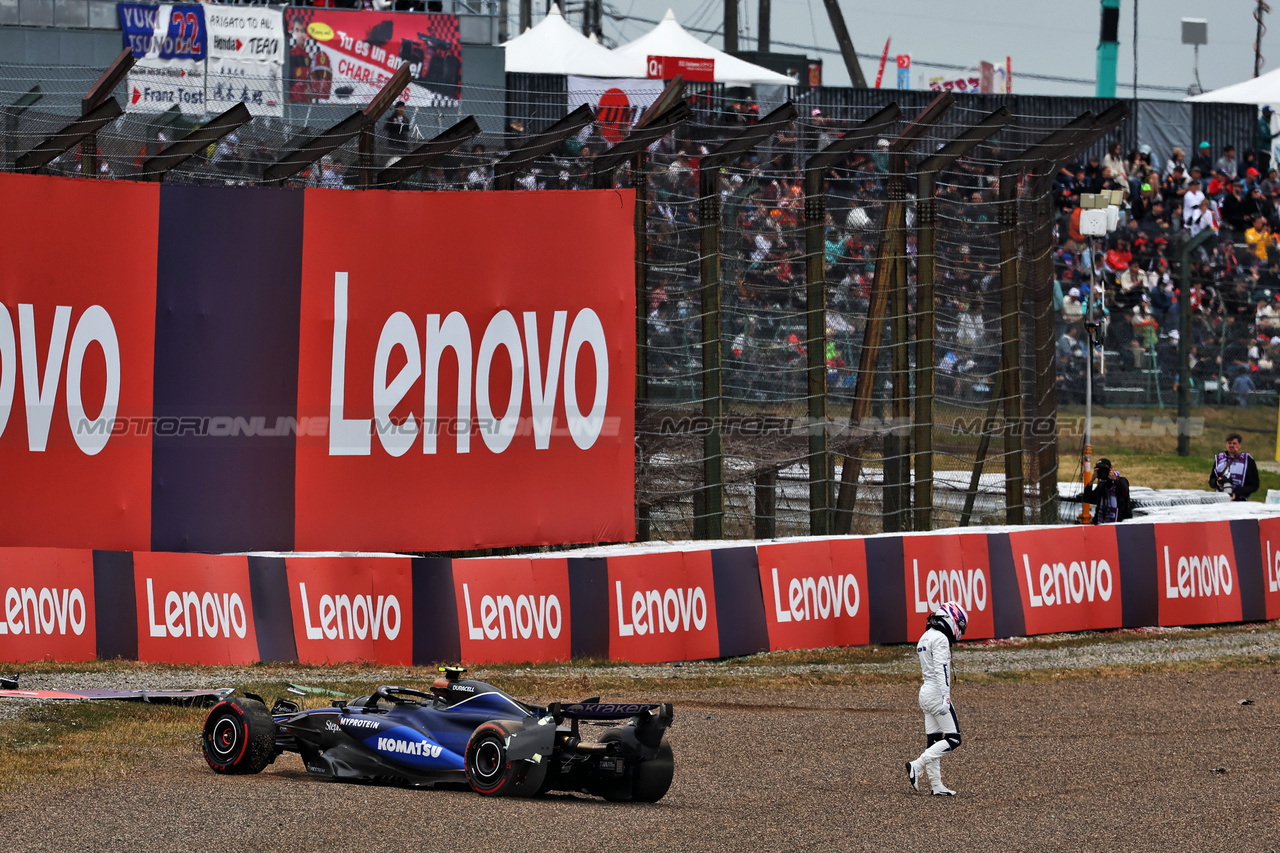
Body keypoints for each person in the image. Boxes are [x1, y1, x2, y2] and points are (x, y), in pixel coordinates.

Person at [905, 602, 968, 797]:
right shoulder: (940, 638)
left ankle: (936, 784)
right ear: (951, 618)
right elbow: (942, 670)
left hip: (925, 692)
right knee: (954, 738)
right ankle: (917, 764)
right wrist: (946, 697)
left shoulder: (925, 636)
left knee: (933, 740)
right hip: (936, 693)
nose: (960, 631)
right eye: (960, 625)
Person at [1210, 432, 1260, 500]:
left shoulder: (1247, 460)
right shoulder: (1219, 459)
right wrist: (1217, 482)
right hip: (1220, 498)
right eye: (1229, 443)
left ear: (1239, 445)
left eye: (1234, 443)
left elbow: (1254, 485)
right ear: (1226, 445)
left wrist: (1236, 494)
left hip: (1239, 499)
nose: (1231, 445)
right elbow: (1211, 481)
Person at [1082, 458, 1132, 523]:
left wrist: (1115, 479)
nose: (1103, 472)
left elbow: (1125, 492)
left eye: (1105, 469)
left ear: (1111, 468)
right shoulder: (1101, 486)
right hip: (1101, 523)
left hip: (1119, 523)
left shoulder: (1121, 480)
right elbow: (1087, 499)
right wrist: (1091, 481)